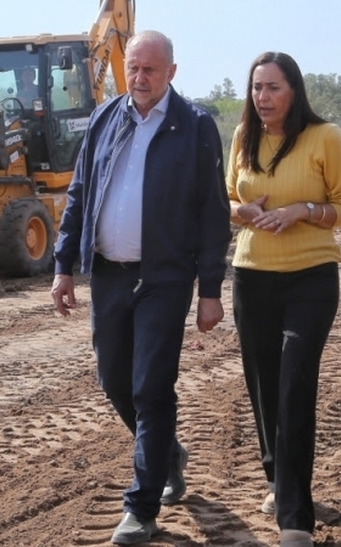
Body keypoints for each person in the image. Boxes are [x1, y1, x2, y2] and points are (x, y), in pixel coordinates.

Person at [51, 30, 231, 545]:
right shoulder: (106, 118)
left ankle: (142, 506)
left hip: (164, 277)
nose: (140, 77)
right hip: (109, 274)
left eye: (151, 69)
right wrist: (64, 265)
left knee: (151, 388)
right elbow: (80, 193)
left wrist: (210, 289)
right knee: (114, 381)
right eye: (133, 67)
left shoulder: (194, 126)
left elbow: (212, 213)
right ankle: (167, 453)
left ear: (172, 72)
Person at [227, 52, 341, 547]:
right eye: (257, 88)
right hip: (251, 276)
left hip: (311, 278)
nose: (263, 97)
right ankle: (276, 479)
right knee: (263, 386)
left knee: (294, 386)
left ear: (294, 91)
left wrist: (302, 210)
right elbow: (227, 201)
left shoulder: (324, 137)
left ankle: (295, 520)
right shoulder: (243, 137)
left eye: (274, 88)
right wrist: (243, 211)